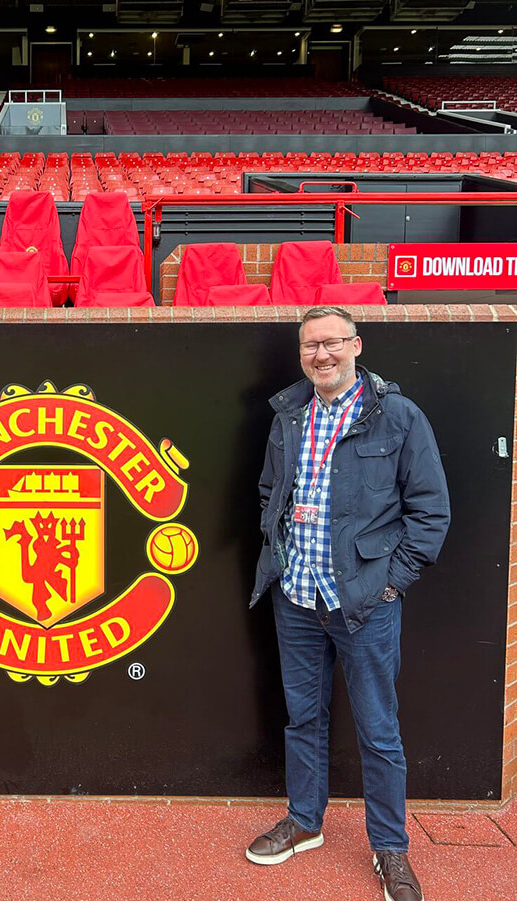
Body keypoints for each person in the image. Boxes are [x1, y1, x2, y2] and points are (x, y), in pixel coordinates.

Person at [248, 306, 450, 901]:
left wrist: (392, 583)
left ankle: (392, 850)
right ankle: (305, 821)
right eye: (311, 346)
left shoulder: (399, 418)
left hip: (364, 603)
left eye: (333, 343)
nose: (322, 355)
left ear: (356, 345)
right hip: (297, 598)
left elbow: (430, 510)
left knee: (379, 731)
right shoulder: (289, 415)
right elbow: (271, 491)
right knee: (303, 719)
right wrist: (278, 545)